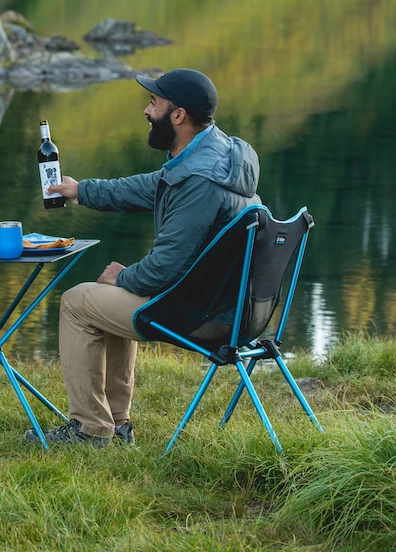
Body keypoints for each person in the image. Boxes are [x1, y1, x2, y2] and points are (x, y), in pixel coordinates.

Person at [32, 68, 261, 446]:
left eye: (154, 102)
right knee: (107, 298)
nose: (146, 110)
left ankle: (90, 429)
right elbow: (151, 186)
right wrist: (82, 191)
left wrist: (121, 277)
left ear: (178, 115)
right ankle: (116, 424)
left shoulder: (199, 182)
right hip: (232, 306)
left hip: (202, 315)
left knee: (77, 301)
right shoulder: (217, 154)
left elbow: (163, 270)